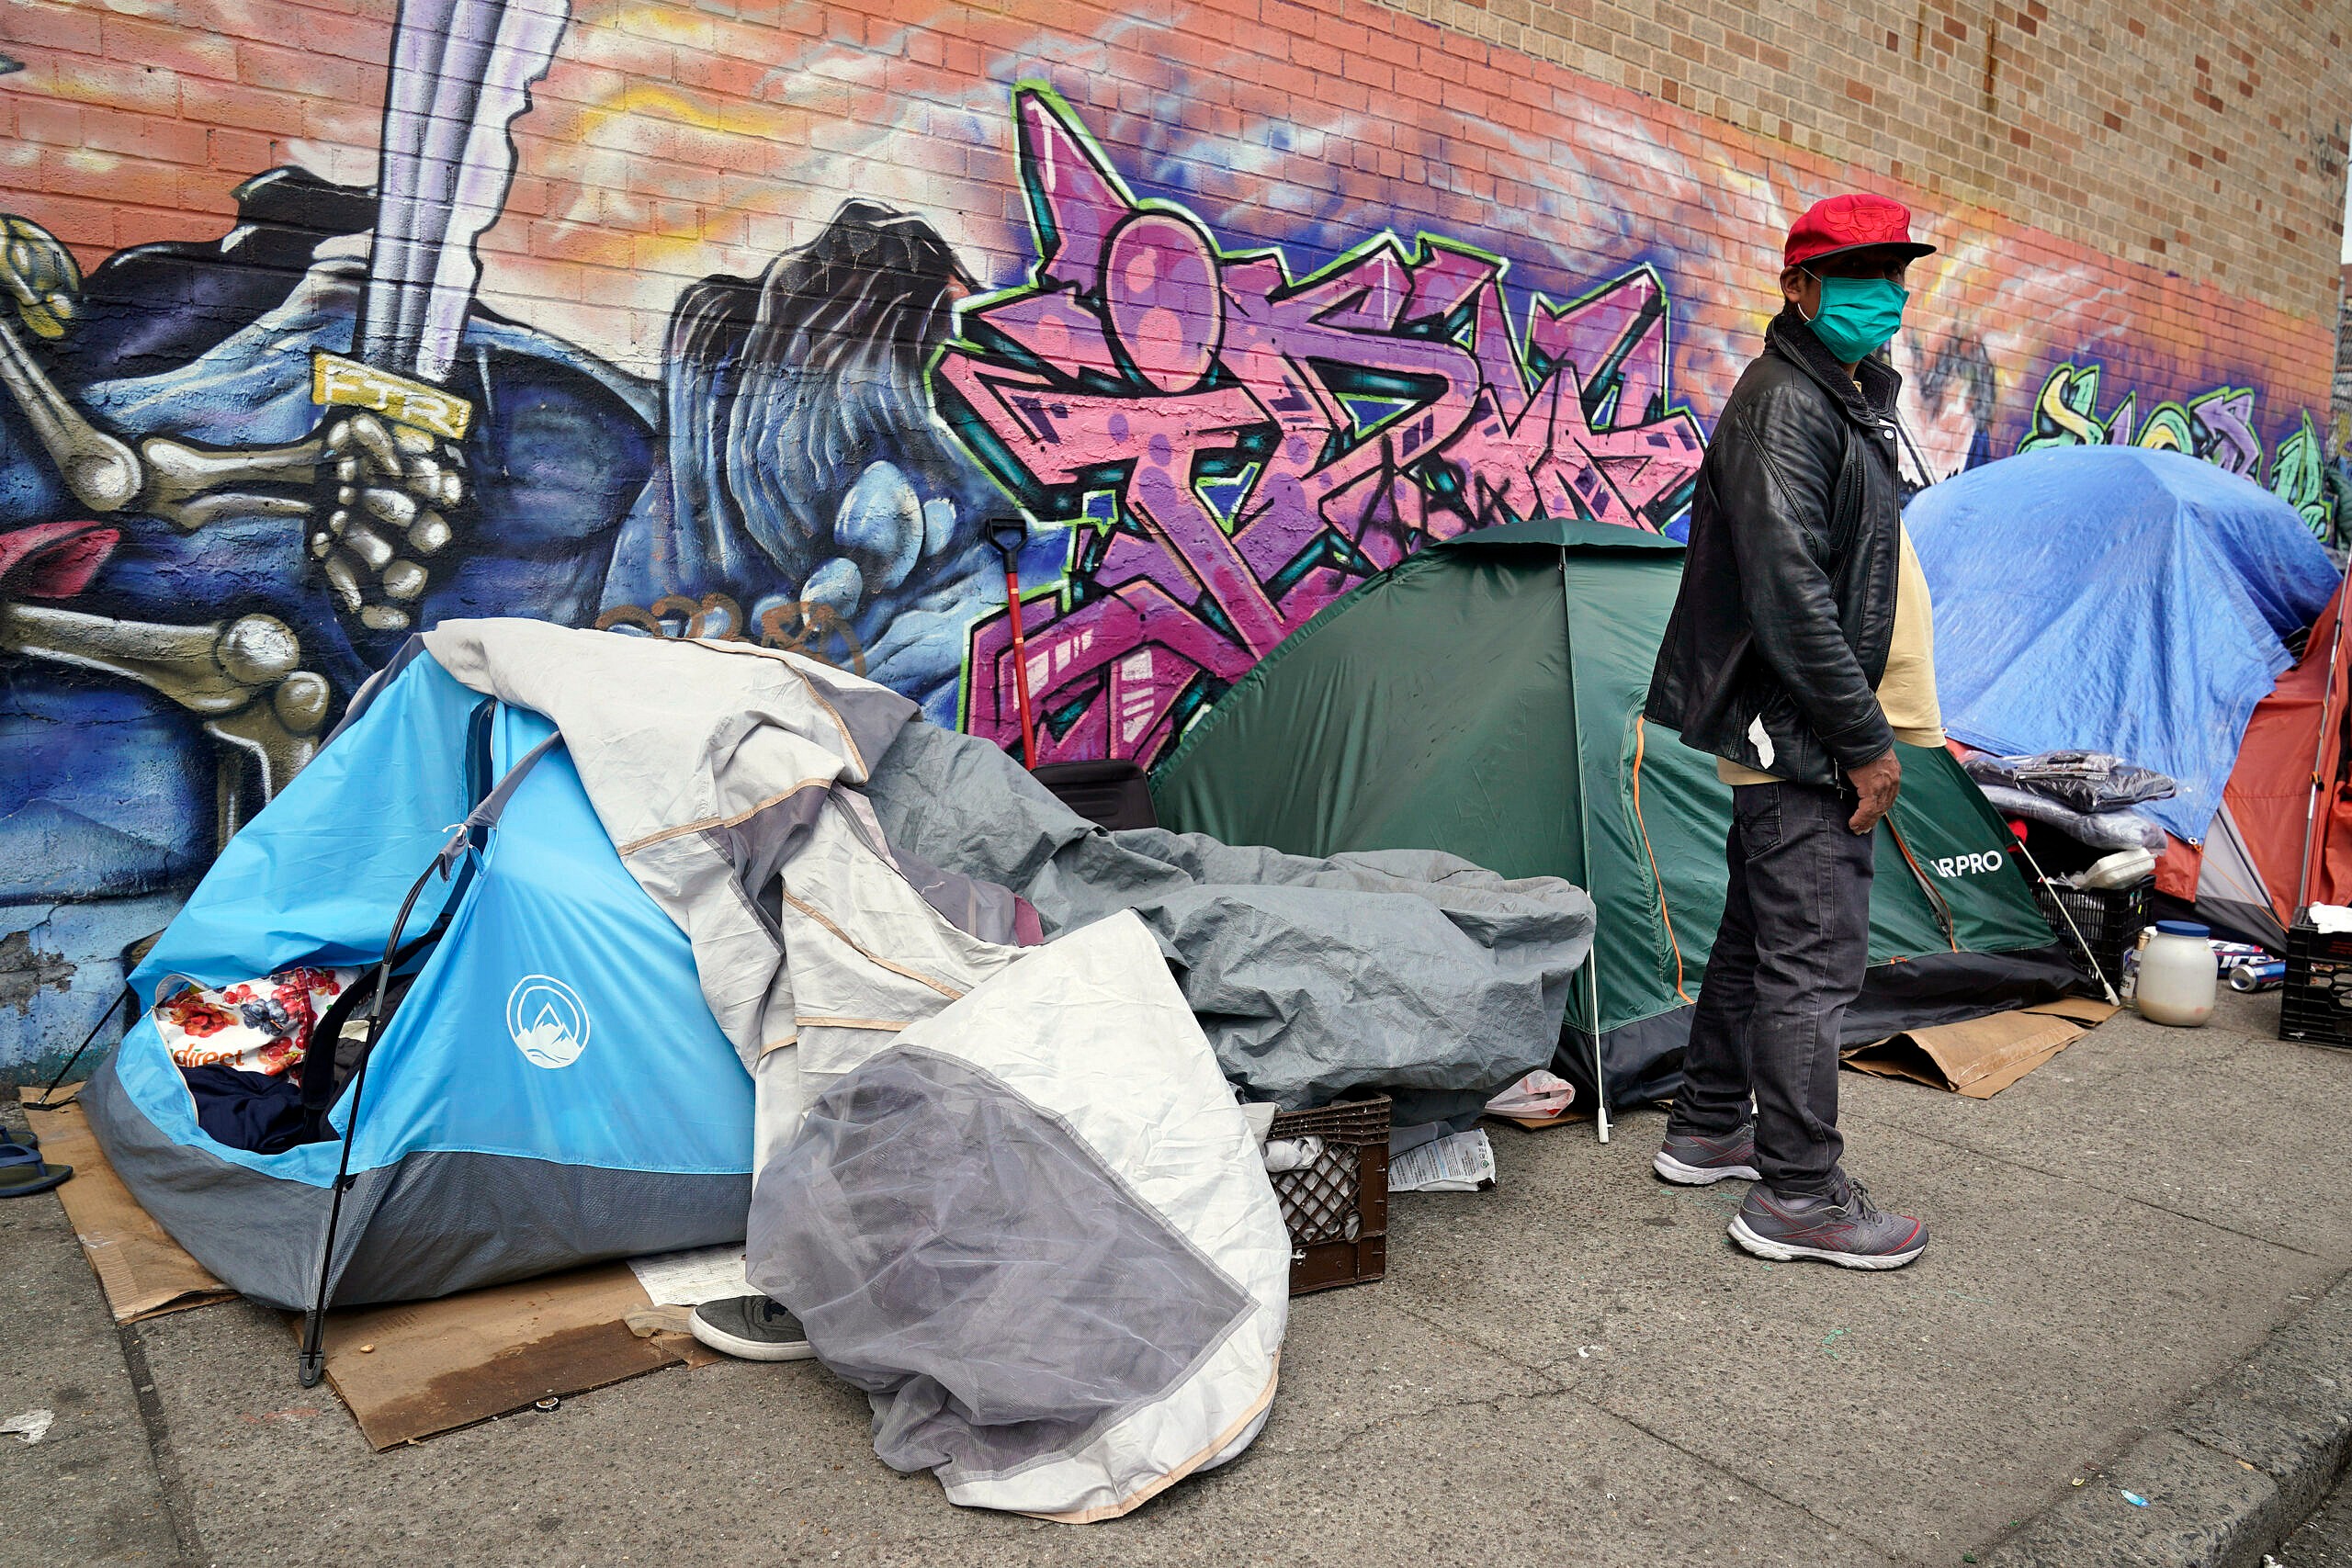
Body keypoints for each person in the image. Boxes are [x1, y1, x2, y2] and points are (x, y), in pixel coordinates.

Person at [1643, 193, 1947, 1270]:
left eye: (1896, 276)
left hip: (1801, 725)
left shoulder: (1838, 394)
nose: (1886, 296)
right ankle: (1799, 1197)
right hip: (1805, 731)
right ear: (1798, 286)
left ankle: (1710, 1124)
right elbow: (1788, 595)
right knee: (1811, 964)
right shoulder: (1789, 404)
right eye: (1861, 276)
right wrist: (1861, 738)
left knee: (1759, 938)